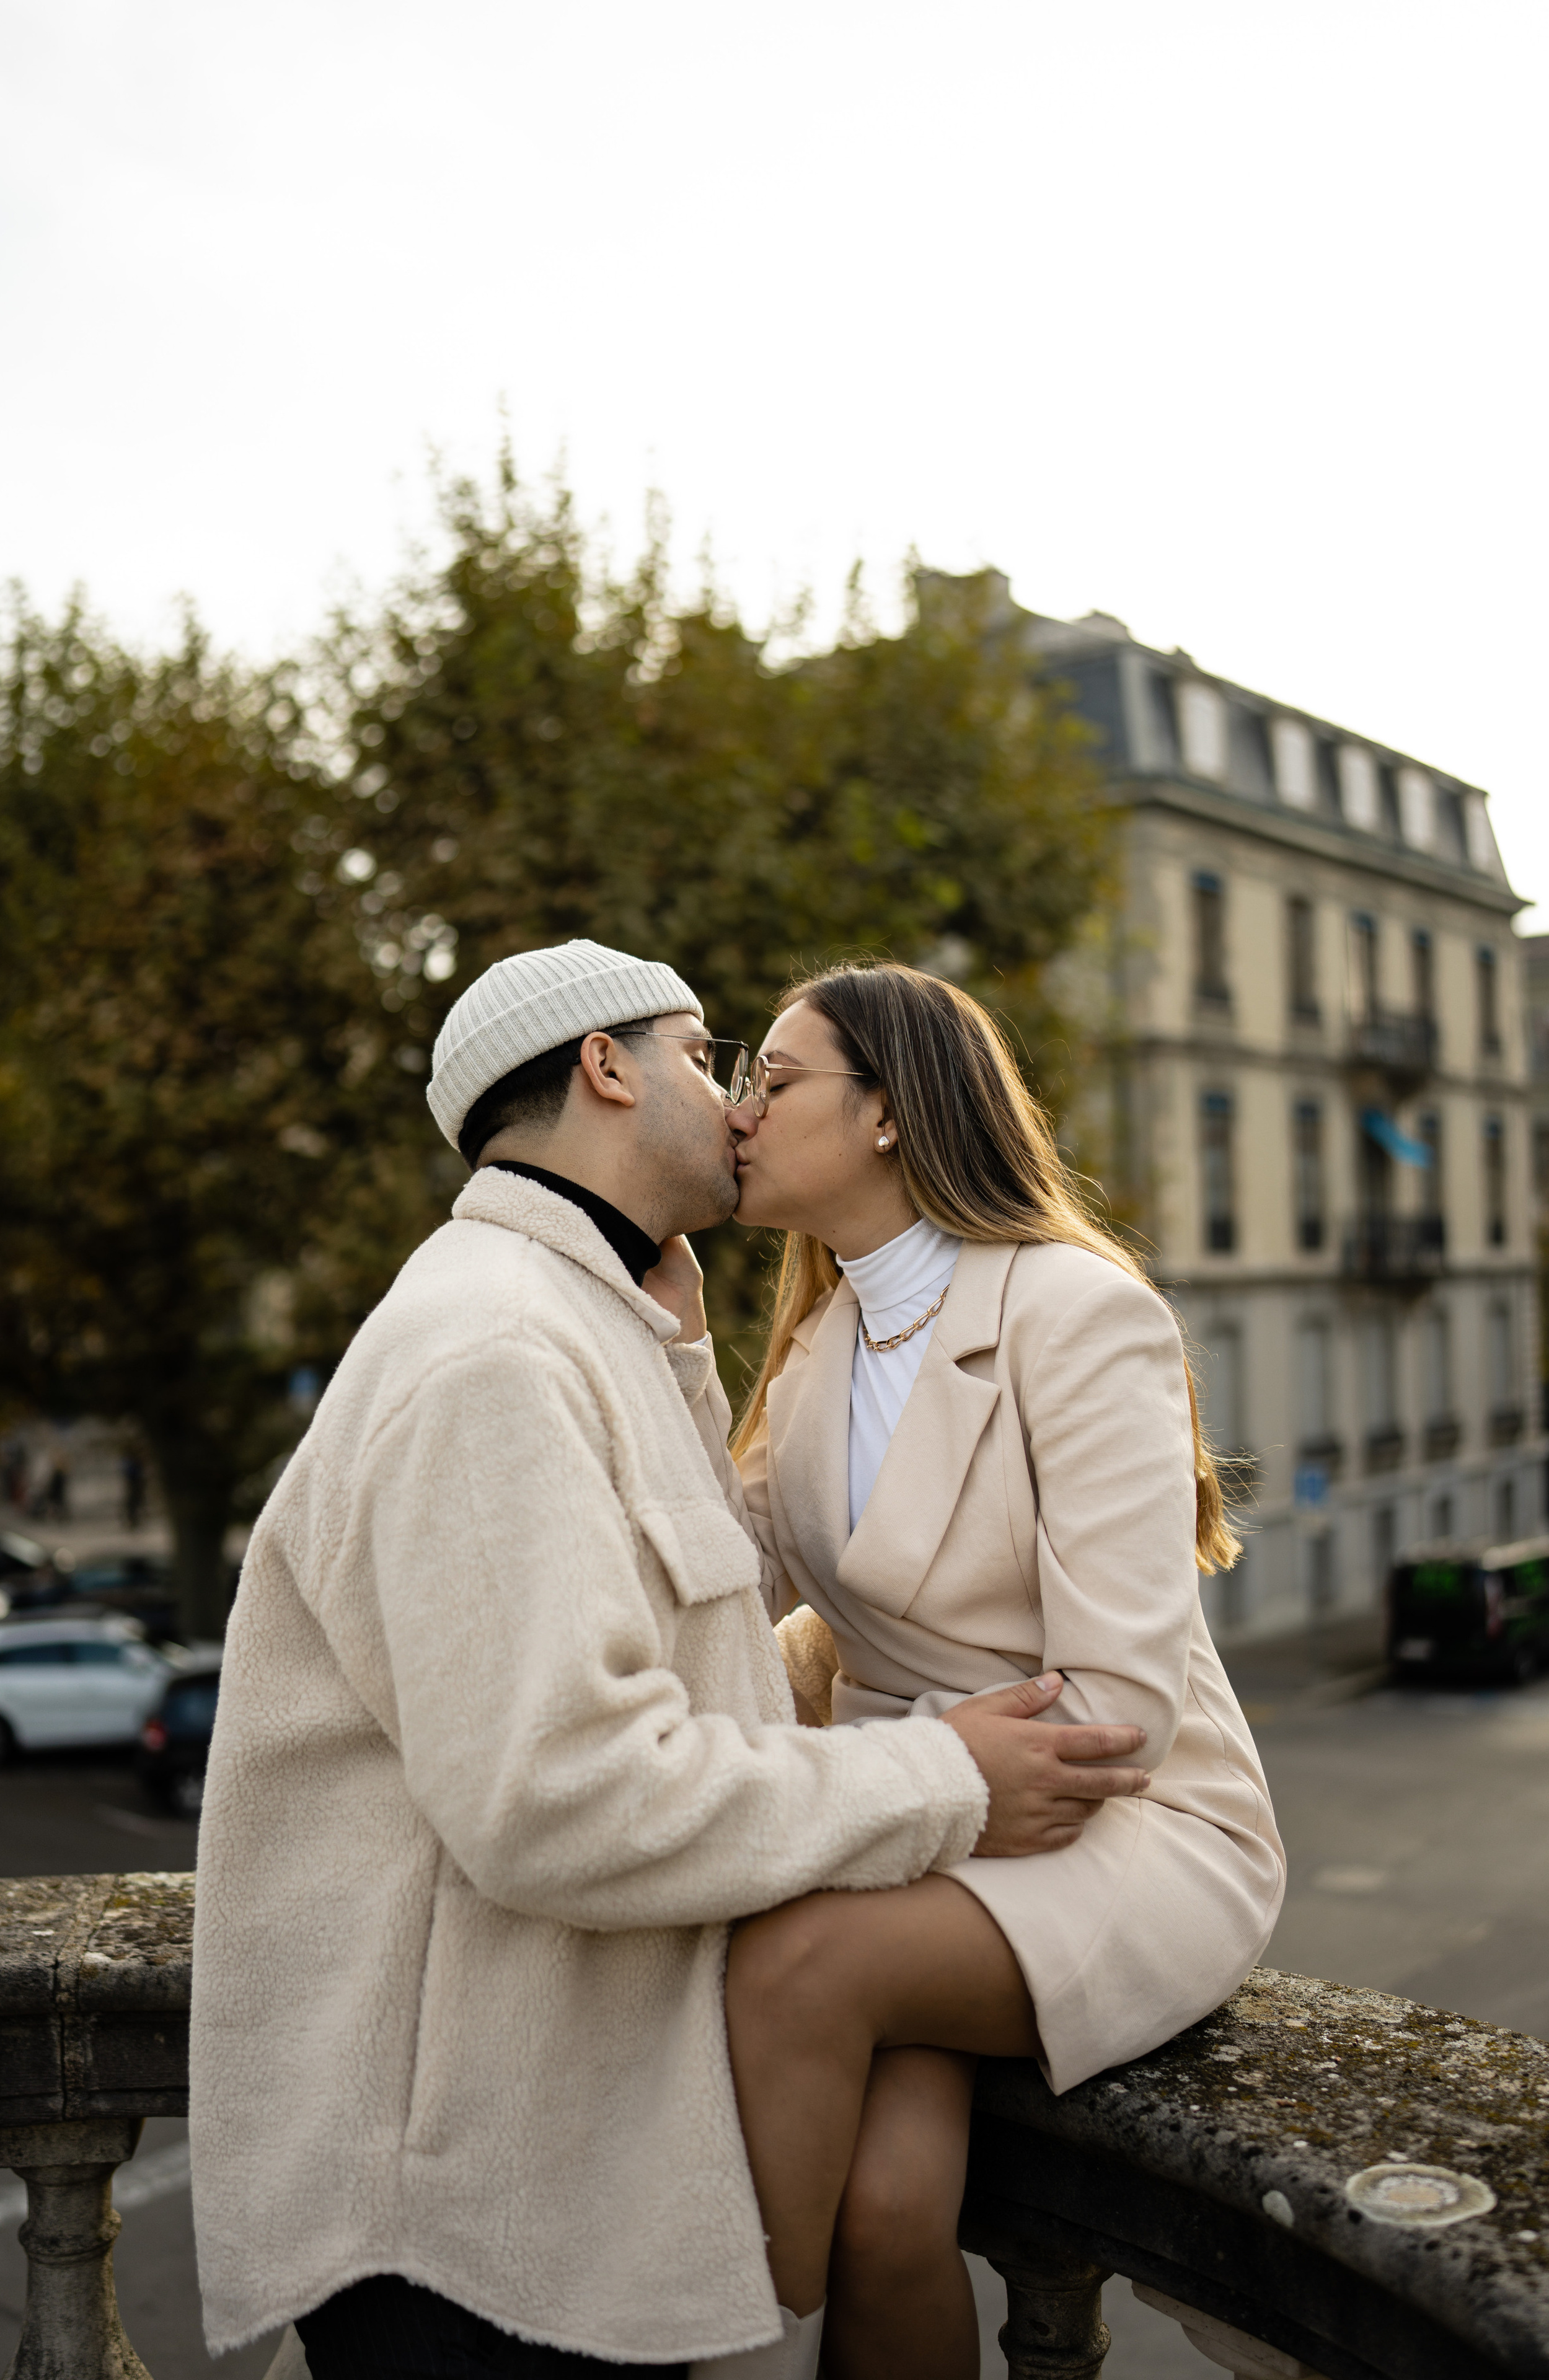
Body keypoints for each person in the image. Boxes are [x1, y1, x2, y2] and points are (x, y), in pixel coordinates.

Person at [189, 938, 1151, 2380]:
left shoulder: (578, 1324)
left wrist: (681, 1350)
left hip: (540, 2170)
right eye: (707, 1060)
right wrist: (940, 1778)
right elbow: (562, 1796)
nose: (738, 1106)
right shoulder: (491, 1356)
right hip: (475, 2224)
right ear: (606, 1068)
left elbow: (692, 1618)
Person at [722, 961, 1287, 2380]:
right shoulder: (810, 1352)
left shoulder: (1078, 1314)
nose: (739, 1108)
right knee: (889, 2209)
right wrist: (661, 1315)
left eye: (773, 1079)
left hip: (1125, 1830)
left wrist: (897, 1780)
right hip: (931, 1833)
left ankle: (710, 2349)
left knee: (787, 1968)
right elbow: (704, 1598)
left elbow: (1112, 1723)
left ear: (887, 1116)